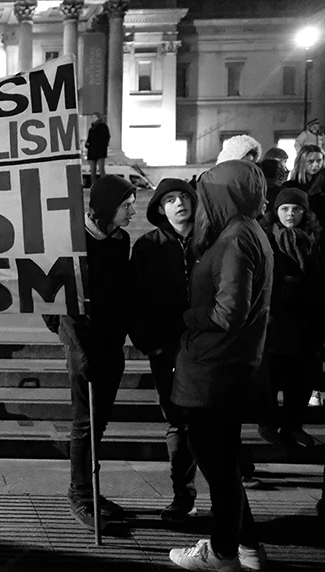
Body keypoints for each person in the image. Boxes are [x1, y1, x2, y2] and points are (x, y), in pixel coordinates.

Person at [169, 160, 271, 572]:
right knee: (220, 456)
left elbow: (229, 311)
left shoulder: (234, 239)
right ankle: (247, 546)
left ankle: (224, 551)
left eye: (208, 192)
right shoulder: (247, 231)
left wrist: (188, 317)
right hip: (227, 363)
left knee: (214, 459)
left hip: (217, 365)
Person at [46, 175, 136, 532]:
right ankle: (80, 495)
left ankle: (89, 490)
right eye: (126, 204)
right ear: (107, 206)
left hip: (112, 342)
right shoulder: (72, 241)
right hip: (83, 344)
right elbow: (50, 296)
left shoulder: (120, 239)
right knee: (85, 423)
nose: (133, 210)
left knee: (98, 422)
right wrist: (70, 337)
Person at [130, 178, 198, 524]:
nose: (178, 204)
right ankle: (182, 494)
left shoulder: (211, 240)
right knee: (176, 421)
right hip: (166, 348)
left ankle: (227, 502)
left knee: (205, 422)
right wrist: (150, 343)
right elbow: (138, 300)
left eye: (183, 196)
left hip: (206, 346)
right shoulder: (148, 245)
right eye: (169, 199)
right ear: (159, 208)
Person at [255, 188, 324, 448]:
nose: (290, 214)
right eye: (285, 209)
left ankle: (294, 425)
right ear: (277, 211)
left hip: (307, 320)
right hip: (275, 319)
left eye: (296, 209)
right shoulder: (266, 237)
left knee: (302, 377)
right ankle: (269, 424)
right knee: (270, 375)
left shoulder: (314, 238)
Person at [85, 112, 110, 180]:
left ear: (99, 118)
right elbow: (89, 140)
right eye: (92, 117)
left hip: (100, 151)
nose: (93, 119)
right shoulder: (91, 129)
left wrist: (103, 145)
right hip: (93, 151)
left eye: (95, 117)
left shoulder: (103, 127)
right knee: (93, 170)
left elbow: (106, 138)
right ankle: (94, 186)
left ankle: (103, 185)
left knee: (101, 169)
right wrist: (87, 144)